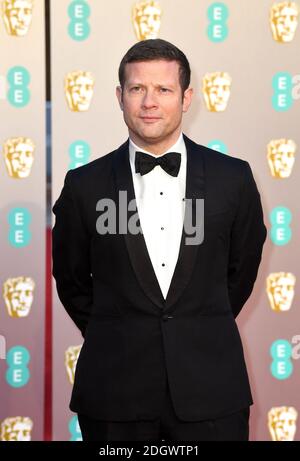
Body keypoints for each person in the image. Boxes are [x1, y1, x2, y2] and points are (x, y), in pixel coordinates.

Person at [52, 38, 267, 441]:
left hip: (212, 395)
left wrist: (197, 326)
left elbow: (239, 275)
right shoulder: (84, 186)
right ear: (120, 96)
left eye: (163, 89)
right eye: (137, 89)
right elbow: (72, 280)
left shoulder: (233, 179)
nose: (149, 101)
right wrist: (118, 330)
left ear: (186, 98)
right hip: (114, 394)